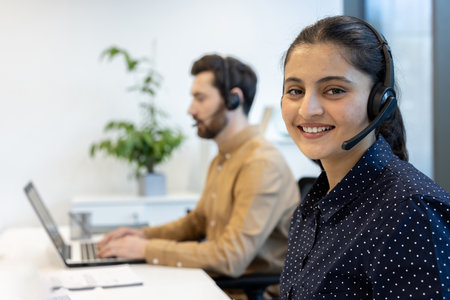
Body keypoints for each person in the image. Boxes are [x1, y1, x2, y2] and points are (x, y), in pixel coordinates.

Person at [279, 15, 450, 299]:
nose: (307, 110)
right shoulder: (314, 206)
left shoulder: (409, 212)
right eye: (295, 91)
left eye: (334, 90)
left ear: (379, 100)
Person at [98, 54, 299, 281]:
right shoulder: (223, 159)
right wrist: (142, 235)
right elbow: (198, 222)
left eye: (200, 98)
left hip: (244, 292)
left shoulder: (261, 163)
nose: (191, 110)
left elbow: (230, 257)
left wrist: (145, 249)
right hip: (216, 283)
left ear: (234, 99)